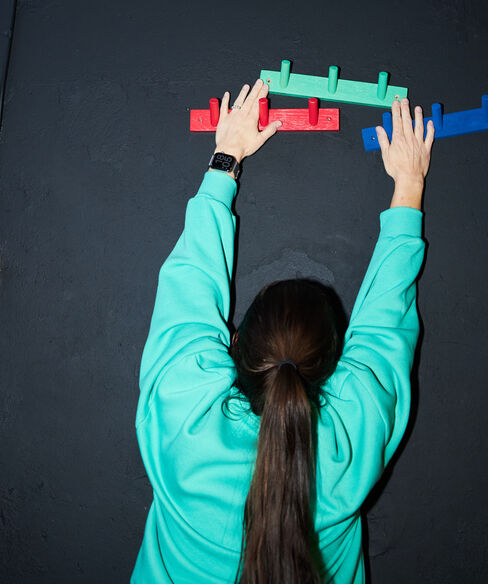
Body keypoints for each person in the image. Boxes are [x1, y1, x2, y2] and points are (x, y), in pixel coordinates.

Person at [132, 78, 434, 583]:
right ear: (332, 370)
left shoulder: (185, 420)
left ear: (236, 346)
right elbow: (385, 331)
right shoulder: (345, 446)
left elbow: (189, 288)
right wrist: (409, 184)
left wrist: (226, 158)